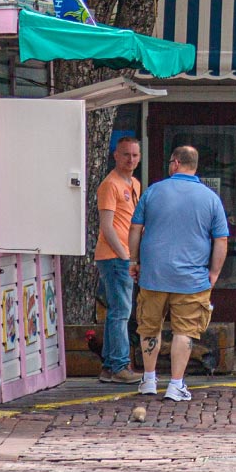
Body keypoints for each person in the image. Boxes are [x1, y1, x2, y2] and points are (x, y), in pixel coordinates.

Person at [128, 145, 229, 402]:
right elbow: (221, 240)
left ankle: (149, 380)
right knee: (185, 331)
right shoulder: (210, 198)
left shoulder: (153, 192)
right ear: (194, 166)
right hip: (192, 278)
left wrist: (134, 261)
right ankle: (176, 384)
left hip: (154, 274)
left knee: (149, 327)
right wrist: (214, 273)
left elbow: (135, 229)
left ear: (174, 164)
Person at [93, 135, 143, 383]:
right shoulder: (110, 185)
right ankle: (120, 365)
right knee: (121, 311)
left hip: (125, 254)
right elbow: (107, 225)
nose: (131, 159)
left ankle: (110, 365)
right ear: (115, 155)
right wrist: (125, 254)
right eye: (126, 154)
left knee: (118, 310)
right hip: (114, 255)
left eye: (135, 155)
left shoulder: (134, 183)